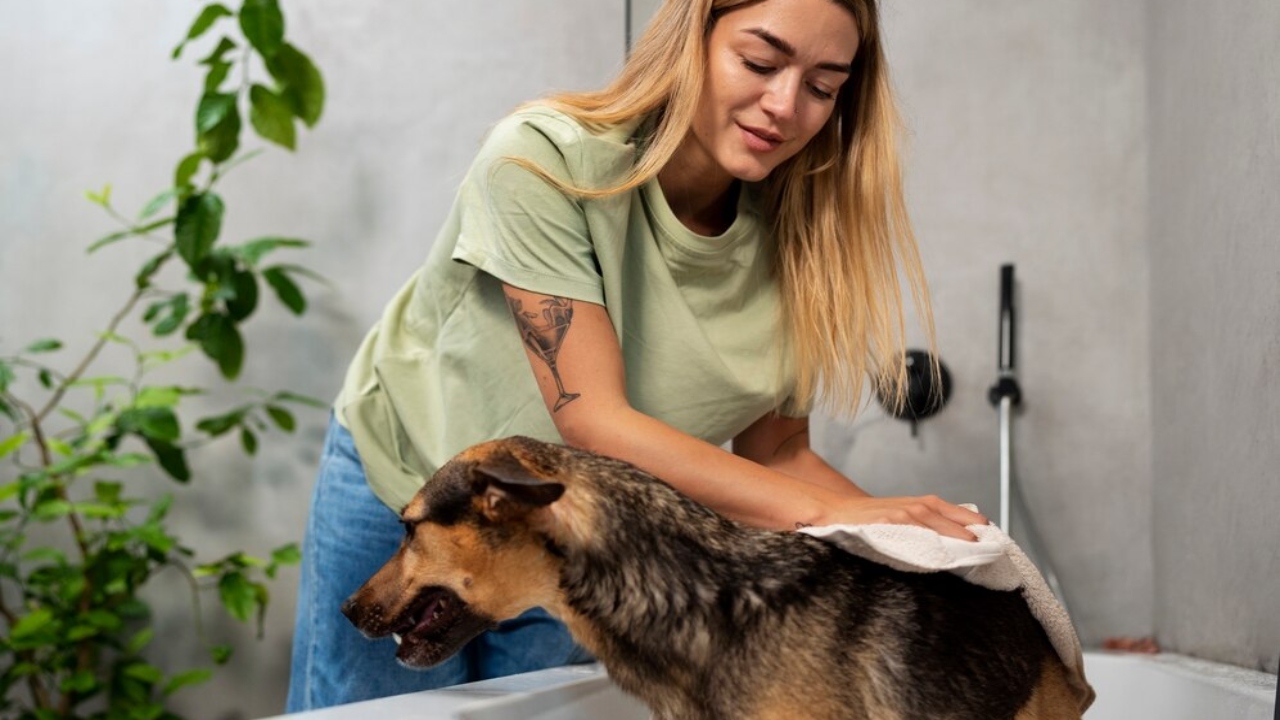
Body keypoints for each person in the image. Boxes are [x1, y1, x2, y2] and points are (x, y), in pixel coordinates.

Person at [286, 0, 987, 711]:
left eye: (822, 86)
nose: (784, 104)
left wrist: (921, 547)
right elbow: (593, 422)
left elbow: (774, 456)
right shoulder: (543, 160)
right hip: (406, 489)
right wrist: (839, 517)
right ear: (694, 37)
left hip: (576, 539)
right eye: (760, 61)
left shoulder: (803, 242)